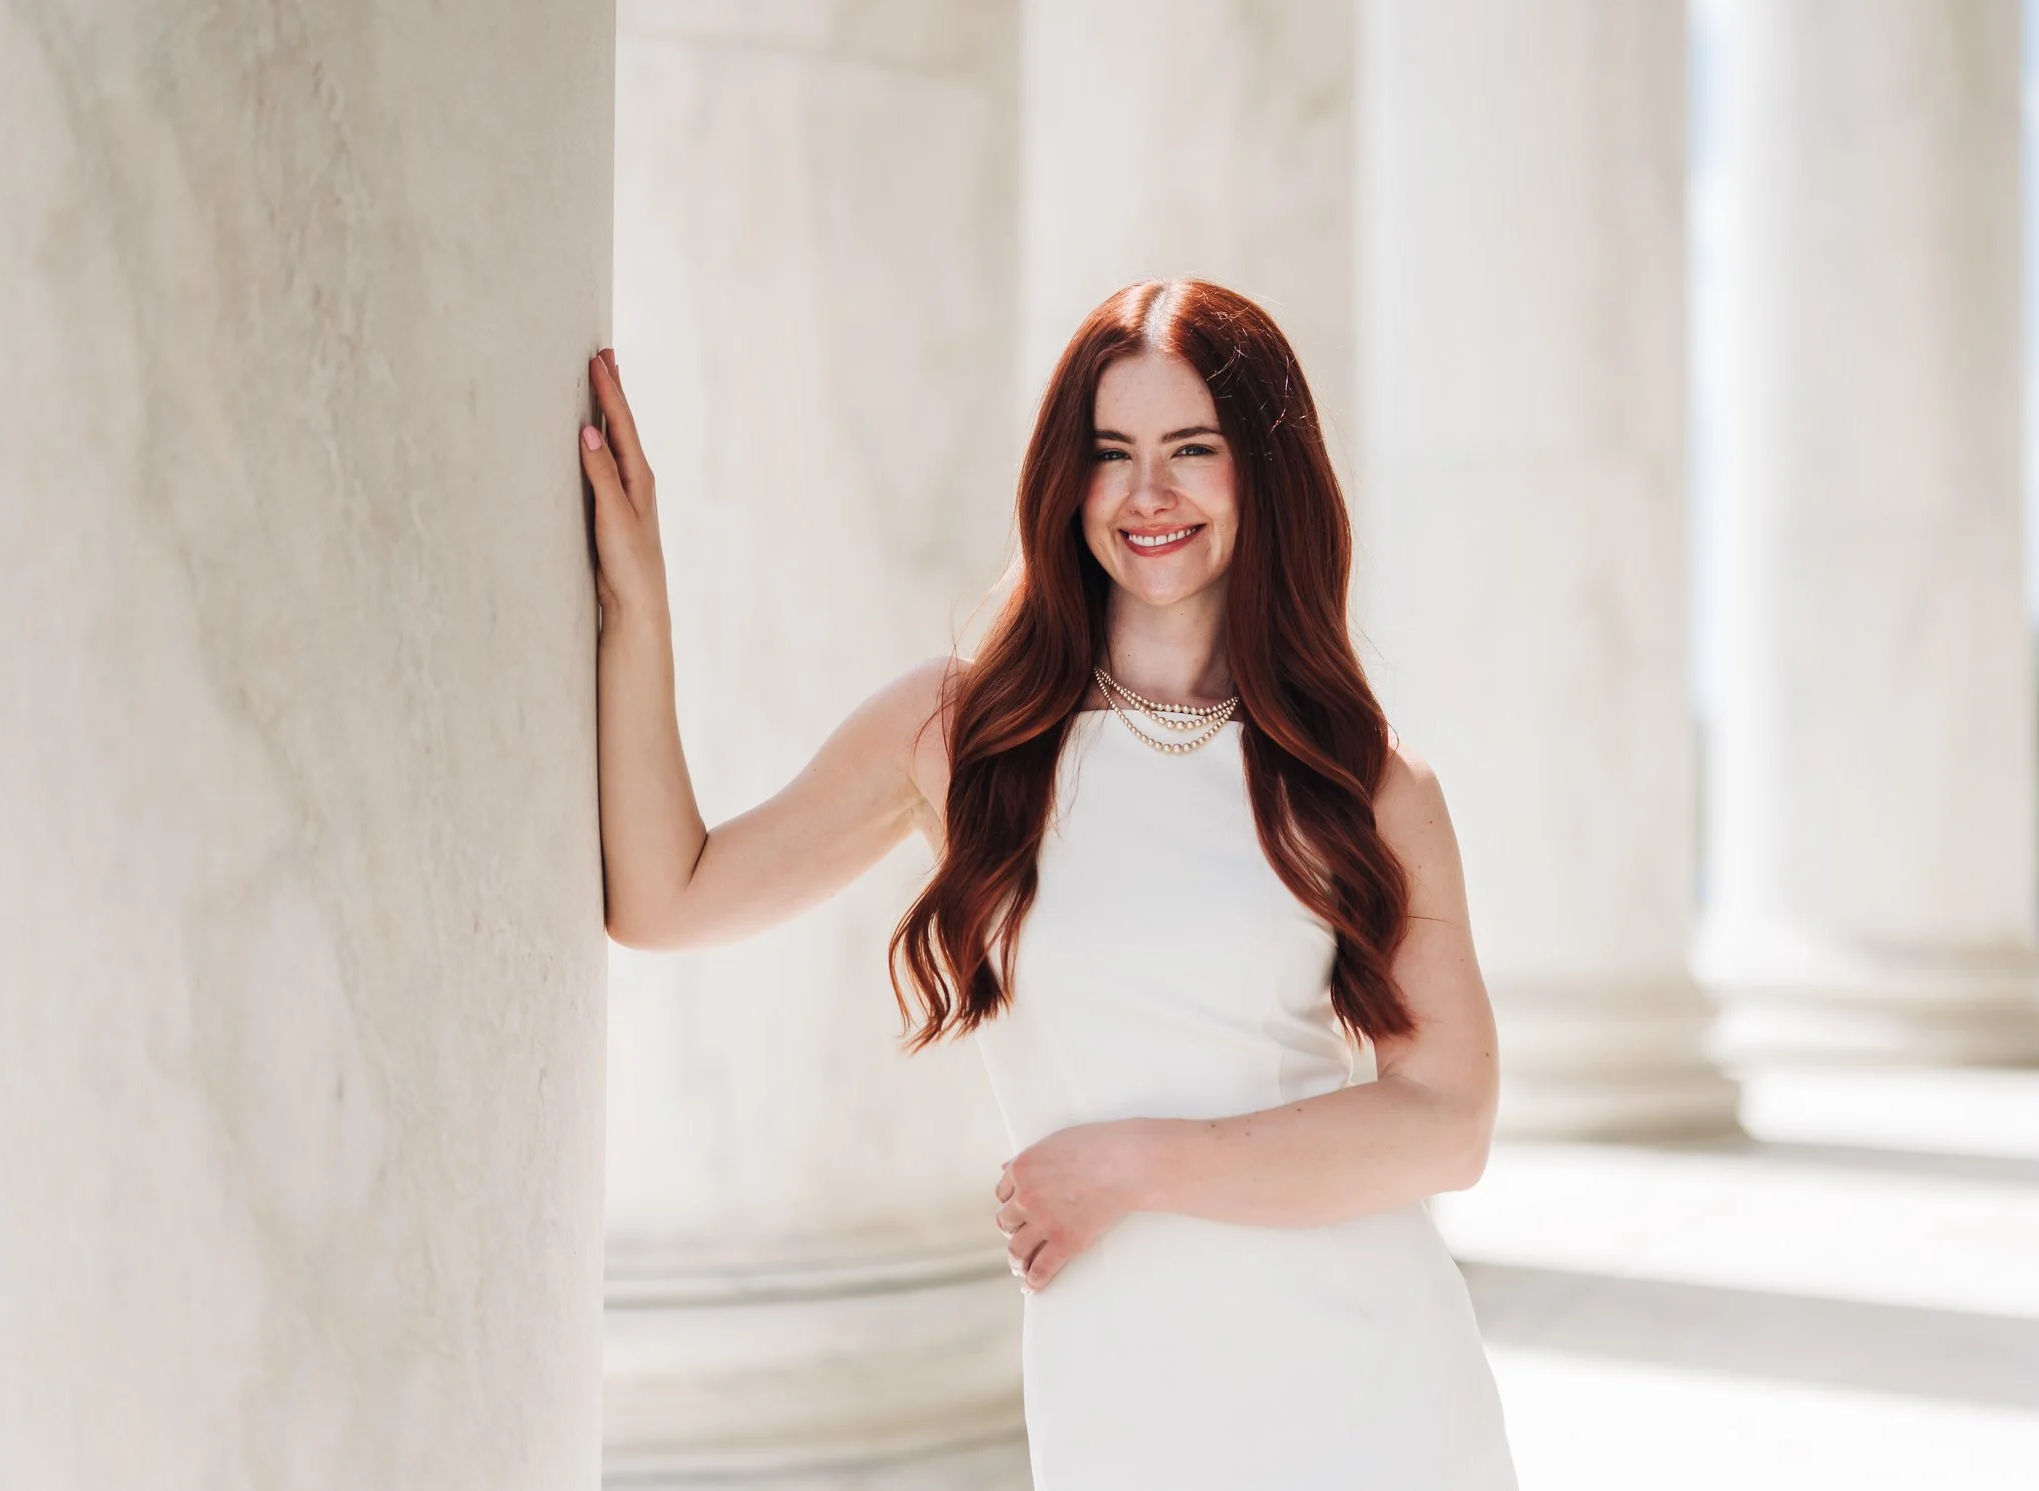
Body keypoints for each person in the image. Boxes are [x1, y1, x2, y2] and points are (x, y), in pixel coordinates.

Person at [581, 279, 1518, 1488]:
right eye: (1110, 452)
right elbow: (667, 896)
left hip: (1369, 1389)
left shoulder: (1363, 780)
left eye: (1194, 450)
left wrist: (1125, 1164)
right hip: (1120, 1387)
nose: (1147, 494)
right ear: (1063, 480)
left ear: (1266, 477)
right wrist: (637, 600)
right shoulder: (959, 732)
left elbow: (1448, 1122)